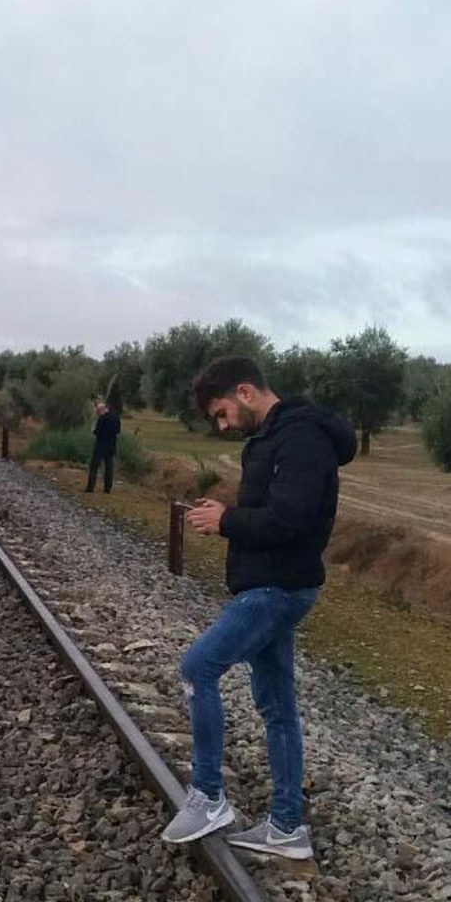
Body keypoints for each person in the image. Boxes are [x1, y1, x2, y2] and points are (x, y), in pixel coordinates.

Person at [160, 357, 355, 860]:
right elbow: (269, 512)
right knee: (277, 708)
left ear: (244, 392)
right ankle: (286, 827)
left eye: (222, 413)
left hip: (277, 590)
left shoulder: (301, 439)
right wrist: (226, 519)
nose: (223, 426)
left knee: (197, 667)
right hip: (270, 585)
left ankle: (208, 797)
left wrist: (227, 521)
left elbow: (289, 519)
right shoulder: (271, 439)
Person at [85, 397, 121, 493]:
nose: (97, 414)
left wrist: (94, 429)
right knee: (109, 467)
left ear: (101, 410)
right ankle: (107, 488)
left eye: (98, 412)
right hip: (112, 446)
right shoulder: (116, 418)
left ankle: (90, 487)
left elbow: (97, 432)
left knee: (94, 466)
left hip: (100, 445)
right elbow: (118, 431)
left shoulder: (102, 419)